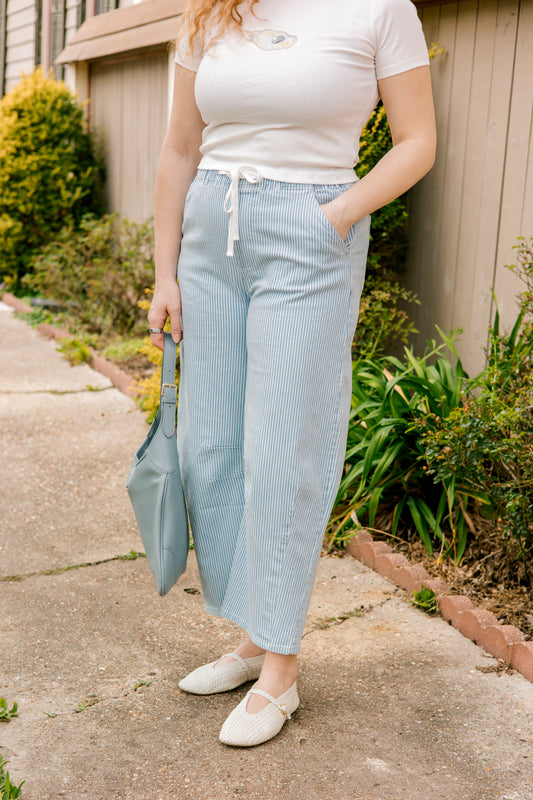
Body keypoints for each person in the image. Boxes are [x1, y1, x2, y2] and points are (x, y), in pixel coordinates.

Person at [148, 0, 436, 747]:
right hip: (211, 234)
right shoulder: (210, 11)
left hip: (308, 231)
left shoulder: (379, 10)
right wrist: (165, 273)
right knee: (211, 448)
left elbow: (416, 143)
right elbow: (180, 146)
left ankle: (281, 668)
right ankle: (250, 636)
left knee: (284, 453)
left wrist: (334, 217)